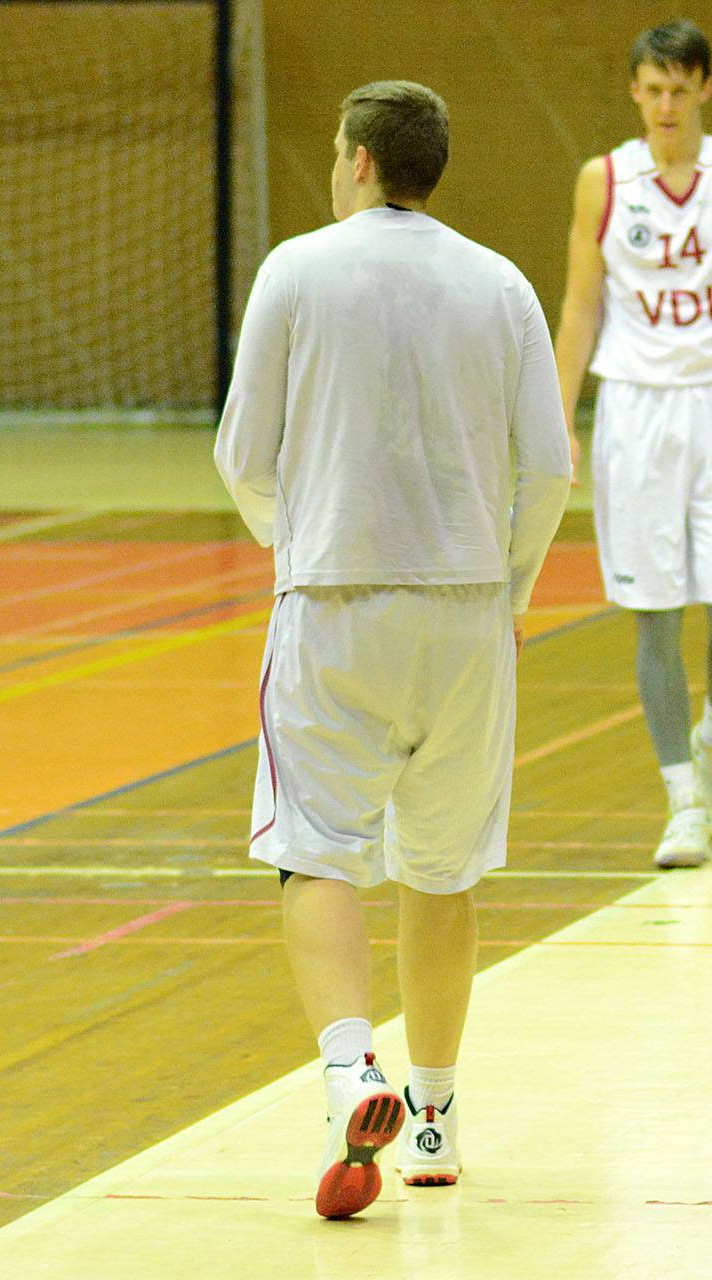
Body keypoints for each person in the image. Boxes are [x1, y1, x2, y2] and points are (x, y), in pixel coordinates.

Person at [213, 80, 571, 1219]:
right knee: (443, 868)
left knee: (314, 850)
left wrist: (296, 538)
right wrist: (507, 586)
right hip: (467, 615)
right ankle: (434, 1115)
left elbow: (241, 454)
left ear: (360, 159)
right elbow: (552, 466)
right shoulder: (502, 283)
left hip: (334, 605)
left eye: (335, 151)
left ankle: (346, 1069)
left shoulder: (295, 271)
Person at [552, 18, 712, 868]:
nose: (666, 105)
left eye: (679, 90)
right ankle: (683, 801)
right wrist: (558, 419)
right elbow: (581, 305)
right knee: (654, 616)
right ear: (635, 92)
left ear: (704, 89)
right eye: (652, 90)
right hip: (635, 413)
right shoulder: (604, 180)